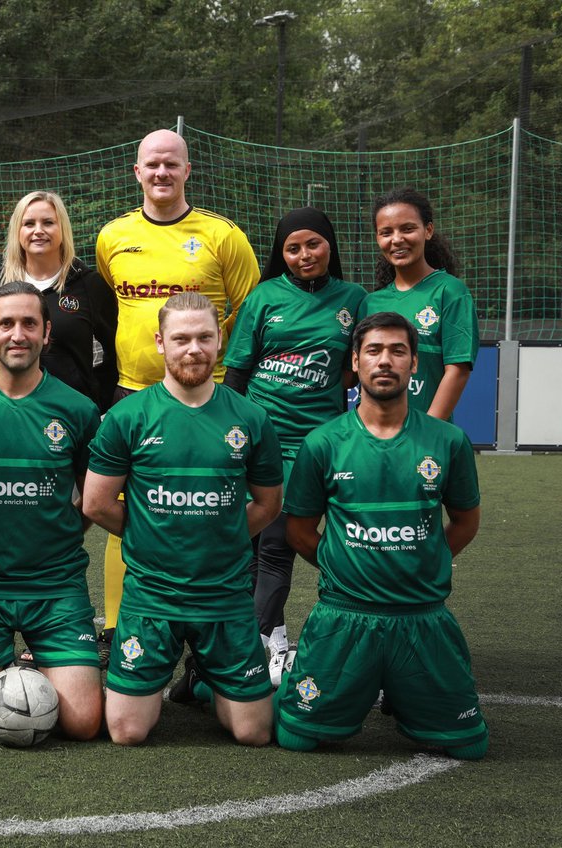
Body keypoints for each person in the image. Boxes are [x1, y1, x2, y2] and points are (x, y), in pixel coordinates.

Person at [277, 311, 488, 760]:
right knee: (297, 738)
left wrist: (425, 557)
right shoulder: (322, 443)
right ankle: (223, 686)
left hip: (422, 618)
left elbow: (466, 522)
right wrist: (346, 566)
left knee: (471, 746)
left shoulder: (448, 441)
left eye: (398, 351)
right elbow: (298, 532)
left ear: (415, 363)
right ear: (355, 362)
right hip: (344, 617)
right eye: (373, 351)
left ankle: (405, 691)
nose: (385, 361)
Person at [82, 292, 282, 747]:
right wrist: (152, 535)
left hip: (224, 597)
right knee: (127, 732)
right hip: (152, 597)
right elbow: (95, 504)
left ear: (220, 340)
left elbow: (268, 505)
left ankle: (206, 681)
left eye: (204, 338)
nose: (194, 349)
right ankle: (199, 675)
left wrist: (221, 534)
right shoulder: (127, 416)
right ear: (160, 342)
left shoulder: (251, 418)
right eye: (181, 339)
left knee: (253, 733)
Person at [94, 129, 261, 659]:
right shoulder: (112, 236)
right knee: (126, 511)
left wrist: (226, 376)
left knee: (205, 509)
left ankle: (212, 635)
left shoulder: (223, 235)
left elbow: (251, 311)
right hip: (131, 392)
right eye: (152, 165)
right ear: (136, 172)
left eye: (171, 164)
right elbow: (113, 304)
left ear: (188, 170)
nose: (161, 173)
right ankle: (118, 627)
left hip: (206, 394)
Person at [0, 282, 102, 740]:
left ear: (46, 333)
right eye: (6, 323)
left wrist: (63, 530)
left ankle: (39, 661)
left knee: (84, 724)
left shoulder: (77, 409)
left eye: (29, 323)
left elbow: (92, 497)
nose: (18, 334)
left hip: (56, 586)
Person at [223, 207, 366, 683]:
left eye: (313, 244)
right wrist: (229, 440)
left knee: (276, 548)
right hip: (257, 444)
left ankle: (247, 654)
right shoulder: (264, 297)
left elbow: (353, 371)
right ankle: (244, 650)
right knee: (243, 552)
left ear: (330, 245)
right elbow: (237, 374)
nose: (304, 254)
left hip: (311, 447)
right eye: (292, 248)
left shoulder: (354, 300)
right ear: (280, 254)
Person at [0, 192, 117, 409]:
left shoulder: (89, 285)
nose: (38, 230)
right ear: (17, 231)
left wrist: (92, 393)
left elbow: (116, 350)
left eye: (48, 223)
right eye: (29, 224)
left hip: (68, 412)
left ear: (62, 228)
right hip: (4, 409)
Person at [359, 187, 478, 420]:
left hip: (425, 433)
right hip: (373, 433)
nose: (397, 239)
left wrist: (428, 429)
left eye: (407, 229)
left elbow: (458, 370)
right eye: (386, 232)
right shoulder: (369, 303)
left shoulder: (450, 292)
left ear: (428, 230)